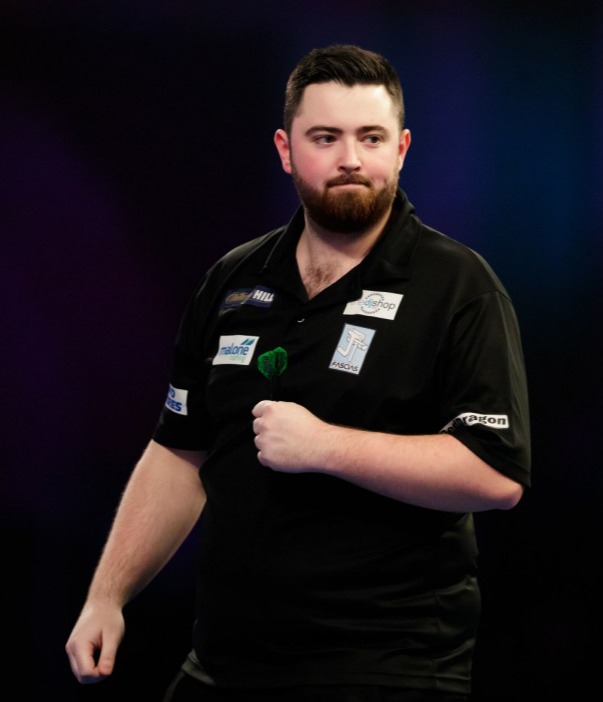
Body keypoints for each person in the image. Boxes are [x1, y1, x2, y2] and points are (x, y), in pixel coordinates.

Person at [65, 44, 531, 702]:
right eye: (325, 137)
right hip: (226, 661)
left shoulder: (457, 287)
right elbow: (179, 451)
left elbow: (496, 474)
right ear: (286, 150)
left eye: (369, 137)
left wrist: (324, 446)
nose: (349, 158)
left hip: (384, 666)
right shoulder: (233, 281)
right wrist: (106, 596)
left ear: (400, 149)